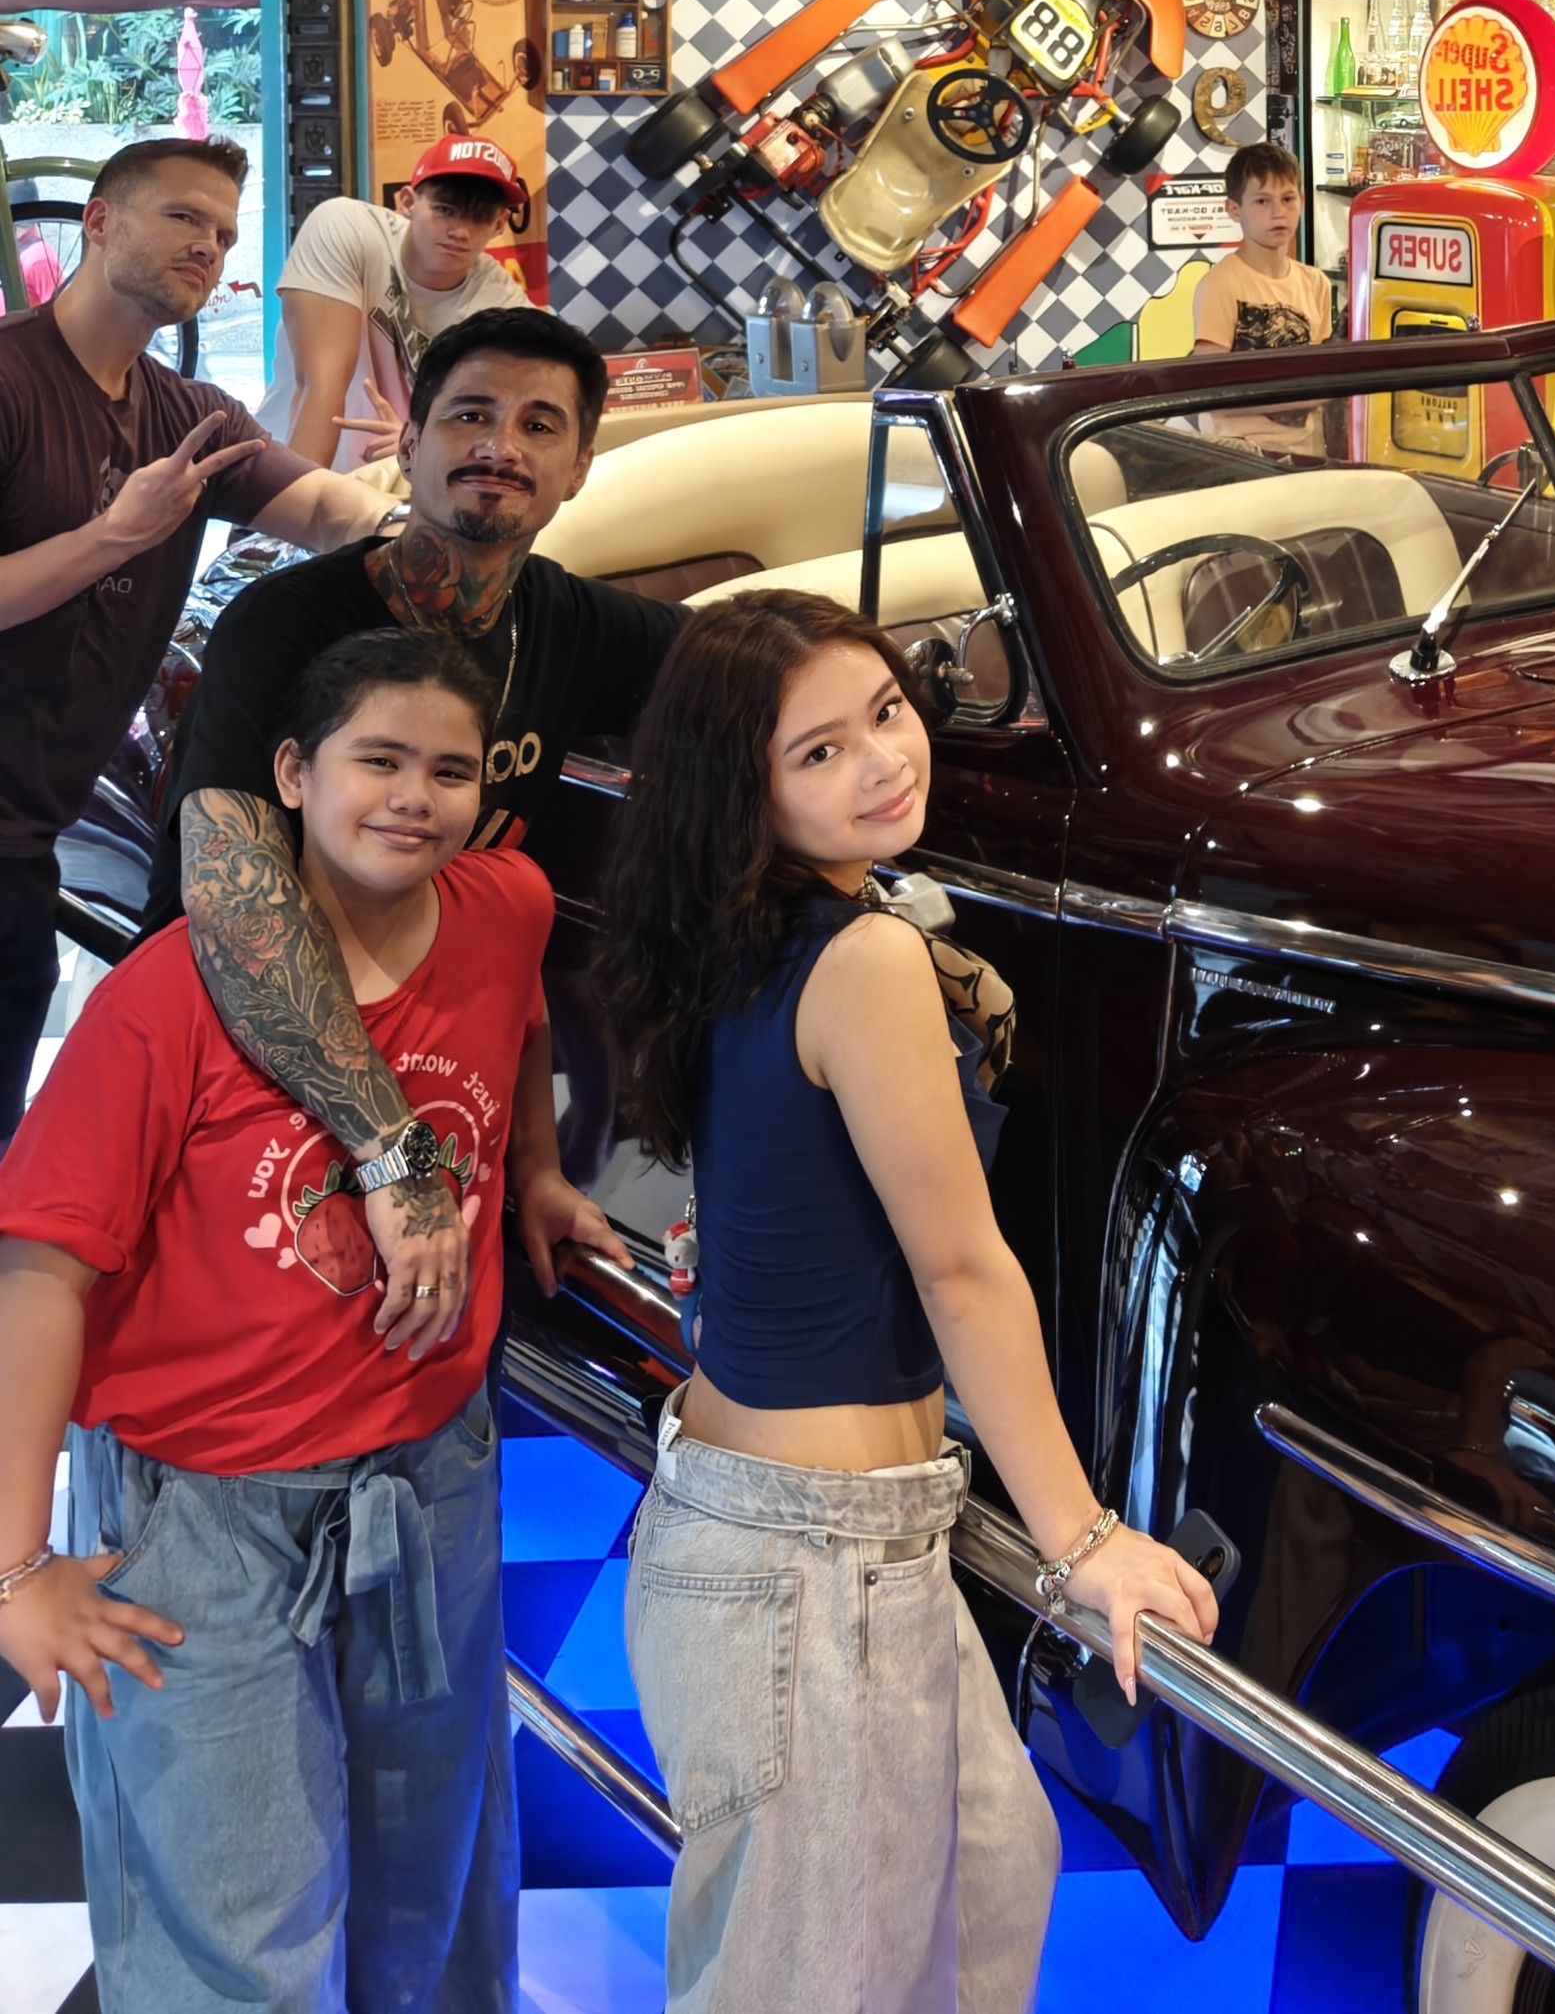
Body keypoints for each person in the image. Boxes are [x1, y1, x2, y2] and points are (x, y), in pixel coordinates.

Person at [600, 592, 1219, 2014]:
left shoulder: (771, 926)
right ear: (745, 789)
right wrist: (1082, 1540)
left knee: (991, 1884)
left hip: (833, 1538)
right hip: (801, 1562)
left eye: (885, 711)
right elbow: (960, 1266)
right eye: (818, 751)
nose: (883, 759)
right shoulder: (861, 955)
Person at [0, 628, 624, 2008]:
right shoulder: (171, 993)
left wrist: (531, 1163)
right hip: (212, 1515)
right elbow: (40, 1268)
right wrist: (16, 1565)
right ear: (293, 772)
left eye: (448, 770)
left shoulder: (505, 901)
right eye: (377, 760)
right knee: (241, 1934)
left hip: (430, 1478)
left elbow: (520, 1018)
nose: (413, 797)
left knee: (427, 1901)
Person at [156, 305, 683, 1332]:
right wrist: (393, 1155)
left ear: (579, 467)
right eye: (470, 414)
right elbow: (237, 909)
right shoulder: (286, 624)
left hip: (444, 1142)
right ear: (409, 443)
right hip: (235, 1100)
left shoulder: (577, 625)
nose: (500, 445)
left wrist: (532, 1162)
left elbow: (762, 674)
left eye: (539, 424)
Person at [0, 136, 387, 1141]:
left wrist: (431, 495)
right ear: (97, 221)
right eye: (182, 217)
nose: (208, 248)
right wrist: (112, 536)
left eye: (222, 233)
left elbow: (332, 512)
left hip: (26, 831)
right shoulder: (8, 379)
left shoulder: (192, 418)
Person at [256, 136, 535, 471]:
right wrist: (300, 498)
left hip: (403, 483)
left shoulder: (500, 302)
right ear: (407, 202)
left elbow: (526, 410)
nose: (460, 231)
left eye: (479, 217)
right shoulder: (348, 228)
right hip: (284, 470)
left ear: (500, 224)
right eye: (445, 210)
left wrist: (424, 441)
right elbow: (319, 386)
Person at [1191, 142, 1332, 357]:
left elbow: (1323, 366)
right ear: (1234, 210)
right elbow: (1210, 373)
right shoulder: (1220, 285)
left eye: (1288, 199)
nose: (1278, 212)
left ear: (1302, 203)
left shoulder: (1316, 283)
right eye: (1262, 201)